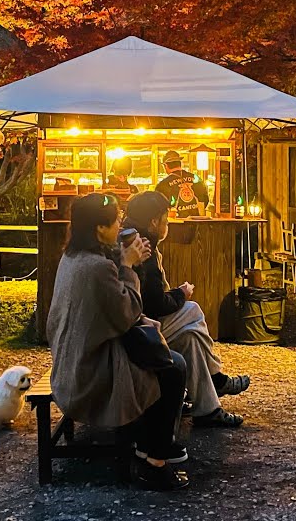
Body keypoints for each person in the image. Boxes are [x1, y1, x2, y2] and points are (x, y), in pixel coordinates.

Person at [47, 193, 190, 491]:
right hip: (88, 375)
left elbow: (112, 308)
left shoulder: (73, 257)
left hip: (71, 362)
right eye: (116, 221)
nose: (120, 225)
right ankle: (155, 462)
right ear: (100, 228)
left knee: (158, 359)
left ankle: (149, 444)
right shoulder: (97, 268)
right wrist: (127, 265)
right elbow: (129, 312)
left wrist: (124, 259)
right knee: (172, 367)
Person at [124, 191, 249, 429]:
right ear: (154, 222)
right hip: (139, 329)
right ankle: (216, 376)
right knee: (192, 310)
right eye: (166, 220)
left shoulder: (133, 238)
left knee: (191, 338)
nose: (168, 225)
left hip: (135, 323)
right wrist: (181, 293)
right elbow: (154, 304)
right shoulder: (143, 248)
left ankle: (208, 410)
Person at [154, 150, 209, 218]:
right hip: (196, 222)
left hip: (175, 223)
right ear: (180, 164)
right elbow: (205, 199)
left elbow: (157, 207)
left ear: (166, 166)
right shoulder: (196, 179)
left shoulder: (163, 185)